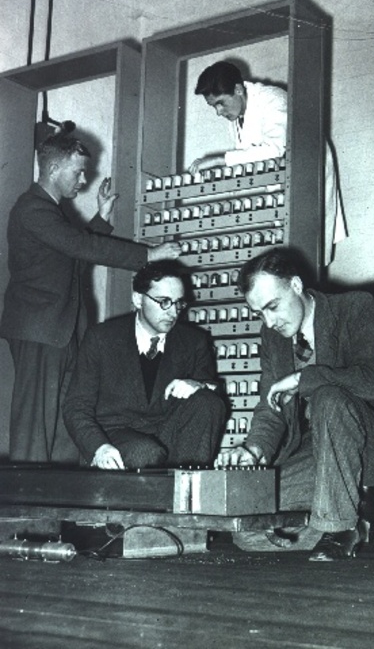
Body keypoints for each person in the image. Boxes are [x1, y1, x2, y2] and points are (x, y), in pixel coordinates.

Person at [217, 248, 374, 562]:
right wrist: (254, 449)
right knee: (249, 530)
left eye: (273, 306)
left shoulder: (355, 307)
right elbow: (271, 405)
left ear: (296, 285)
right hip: (318, 450)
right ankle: (356, 515)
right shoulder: (272, 337)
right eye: (259, 313)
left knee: (328, 397)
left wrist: (303, 379)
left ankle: (341, 527)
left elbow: (372, 381)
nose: (269, 321)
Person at [0, 132, 182, 464]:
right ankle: (28, 497)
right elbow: (80, 246)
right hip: (40, 330)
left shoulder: (51, 213)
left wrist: (101, 217)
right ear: (53, 169)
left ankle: (61, 494)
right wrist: (149, 255)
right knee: (35, 427)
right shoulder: (32, 208)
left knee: (67, 423)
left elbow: (74, 255)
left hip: (61, 331)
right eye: (78, 172)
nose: (83, 181)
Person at [64, 259, 226, 469]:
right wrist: (98, 447)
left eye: (178, 303)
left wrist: (199, 385)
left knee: (208, 403)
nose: (173, 312)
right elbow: (76, 407)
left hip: (169, 436)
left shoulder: (193, 341)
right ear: (138, 299)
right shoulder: (102, 338)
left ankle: (186, 484)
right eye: (164, 302)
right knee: (145, 452)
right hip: (114, 438)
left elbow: (212, 392)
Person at [188, 61, 346, 264]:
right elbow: (249, 163)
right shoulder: (237, 117)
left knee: (307, 258)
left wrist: (220, 159)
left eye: (221, 103)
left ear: (238, 89)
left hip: (307, 183)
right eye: (214, 107)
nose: (218, 112)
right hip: (281, 192)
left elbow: (274, 150)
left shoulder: (273, 99)